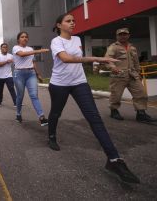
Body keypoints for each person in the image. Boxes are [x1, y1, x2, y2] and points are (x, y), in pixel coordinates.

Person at [47, 13, 140, 184]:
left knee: (95, 119)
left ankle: (114, 160)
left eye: (74, 21)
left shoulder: (77, 40)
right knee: (55, 114)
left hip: (79, 82)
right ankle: (51, 135)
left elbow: (79, 59)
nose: (72, 23)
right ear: (59, 25)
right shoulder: (56, 41)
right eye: (68, 21)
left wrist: (109, 64)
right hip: (59, 84)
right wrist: (97, 58)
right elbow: (66, 59)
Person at [105, 28, 156, 123]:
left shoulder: (132, 48)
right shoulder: (113, 47)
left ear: (128, 35)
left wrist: (138, 73)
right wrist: (113, 68)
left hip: (133, 75)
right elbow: (108, 59)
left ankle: (141, 114)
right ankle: (114, 111)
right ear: (117, 36)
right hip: (118, 76)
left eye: (125, 34)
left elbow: (136, 62)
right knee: (116, 95)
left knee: (141, 93)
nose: (123, 36)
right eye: (120, 34)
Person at [13, 31, 49, 124]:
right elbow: (22, 54)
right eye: (22, 37)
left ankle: (41, 117)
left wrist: (38, 74)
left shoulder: (30, 49)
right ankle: (18, 114)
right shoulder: (16, 48)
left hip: (31, 74)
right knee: (20, 96)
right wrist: (39, 51)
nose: (24, 38)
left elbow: (33, 62)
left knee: (34, 96)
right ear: (18, 39)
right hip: (19, 74)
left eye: (26, 37)